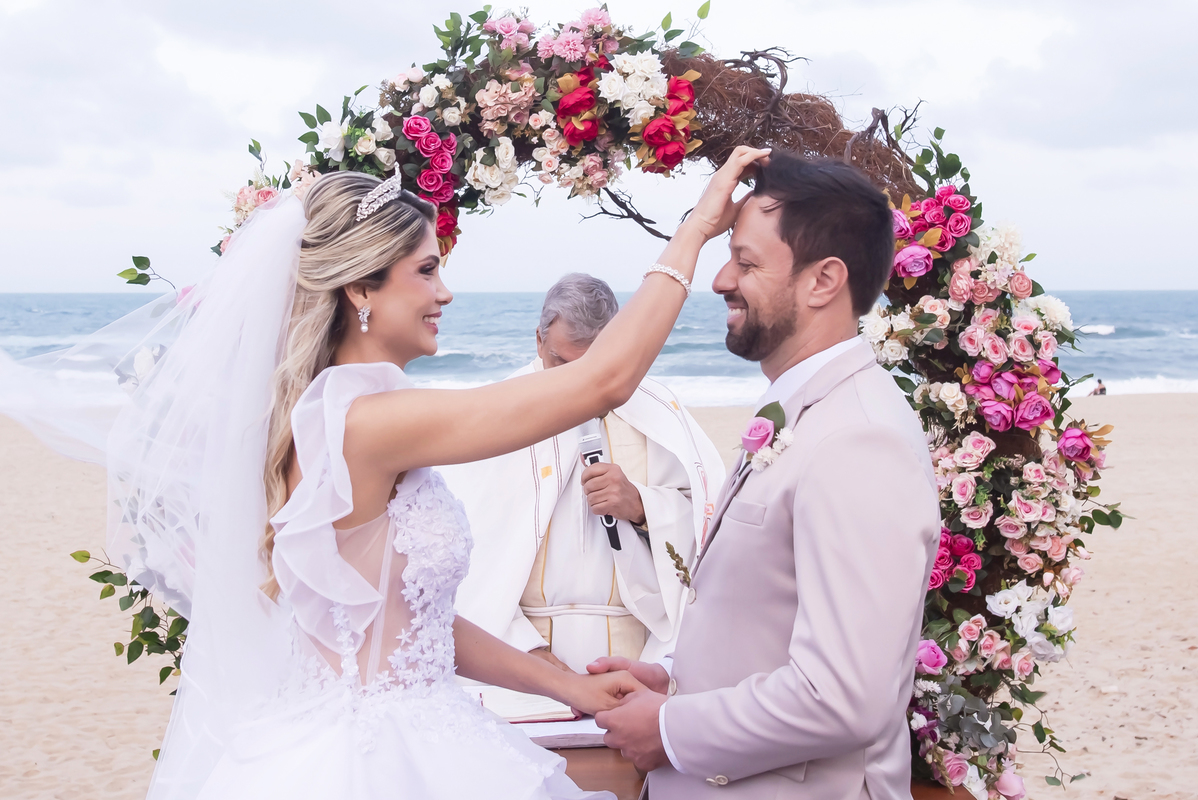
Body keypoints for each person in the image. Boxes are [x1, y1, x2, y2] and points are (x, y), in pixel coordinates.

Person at [0, 145, 771, 799]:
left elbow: (410, 623)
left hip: (407, 724)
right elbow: (601, 381)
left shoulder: (344, 413)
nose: (446, 293)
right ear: (361, 288)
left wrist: (567, 686)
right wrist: (696, 228)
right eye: (426, 271)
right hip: (371, 761)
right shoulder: (365, 423)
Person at [590, 152, 941, 799]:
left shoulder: (859, 441)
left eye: (746, 263)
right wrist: (680, 684)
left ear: (823, 281)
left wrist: (670, 729)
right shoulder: (803, 408)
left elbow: (841, 696)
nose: (721, 279)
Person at [446, 274, 726, 675]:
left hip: (635, 652)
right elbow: (472, 546)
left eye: (593, 365)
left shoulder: (658, 410)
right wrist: (524, 650)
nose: (576, 383)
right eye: (561, 362)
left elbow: (707, 527)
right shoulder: (499, 412)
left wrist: (641, 506)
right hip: (521, 652)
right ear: (539, 341)